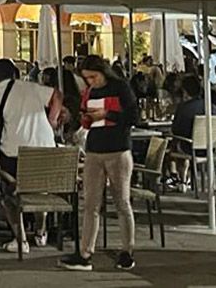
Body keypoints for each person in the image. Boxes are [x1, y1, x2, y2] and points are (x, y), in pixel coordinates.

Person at [60, 55, 139, 273]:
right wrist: (85, 119)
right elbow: (85, 118)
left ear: (103, 72)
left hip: (118, 150)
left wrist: (108, 113)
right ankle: (85, 253)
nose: (91, 81)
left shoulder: (120, 88)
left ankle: (127, 250)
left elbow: (133, 116)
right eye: (86, 79)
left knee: (122, 202)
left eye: (93, 77)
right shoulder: (89, 92)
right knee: (91, 204)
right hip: (94, 150)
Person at [0, 58, 61, 254]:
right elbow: (56, 95)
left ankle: (21, 240)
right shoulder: (31, 87)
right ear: (15, 73)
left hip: (15, 154)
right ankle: (41, 232)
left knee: (10, 197)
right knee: (40, 192)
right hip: (47, 149)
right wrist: (52, 120)